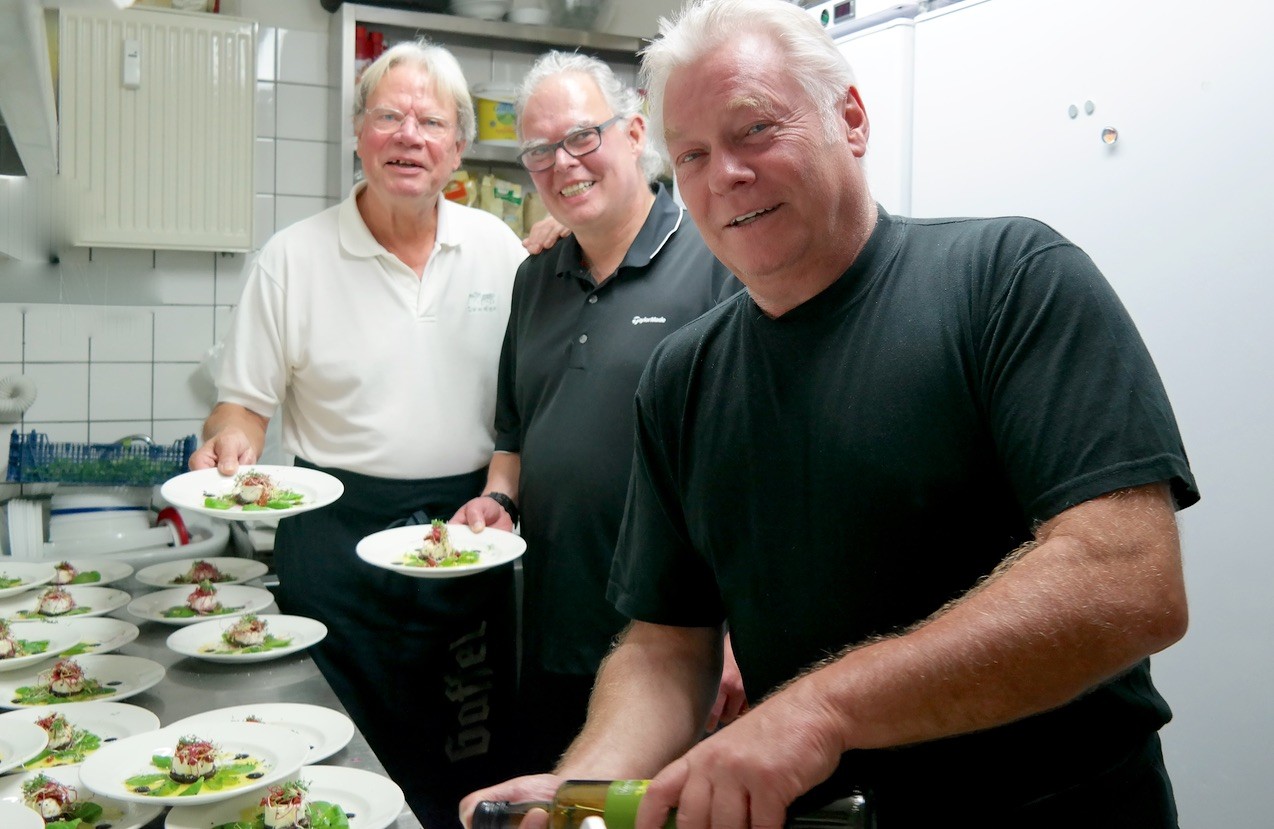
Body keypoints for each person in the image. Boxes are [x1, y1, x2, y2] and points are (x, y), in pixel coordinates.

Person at [460, 1, 1199, 827]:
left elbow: (1129, 578)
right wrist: (580, 788)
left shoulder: (1010, 280)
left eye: (755, 131)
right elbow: (667, 645)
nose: (724, 175)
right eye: (694, 154)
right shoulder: (682, 379)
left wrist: (819, 709)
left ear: (849, 118)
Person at [190, 40, 529, 829]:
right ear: (358, 133)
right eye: (389, 116)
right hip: (332, 538)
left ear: (458, 147)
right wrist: (228, 443)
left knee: (466, 762)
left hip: (464, 535)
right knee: (337, 757)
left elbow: (529, 399)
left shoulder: (502, 250)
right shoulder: (292, 258)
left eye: (430, 121)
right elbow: (242, 405)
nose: (409, 135)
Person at [450, 51, 745, 774]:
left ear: (636, 131)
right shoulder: (534, 278)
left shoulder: (716, 261)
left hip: (679, 644)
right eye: (541, 150)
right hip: (552, 625)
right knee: (554, 802)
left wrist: (741, 634)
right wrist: (496, 499)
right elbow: (514, 434)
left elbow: (760, 464)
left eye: (583, 136)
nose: (564, 163)